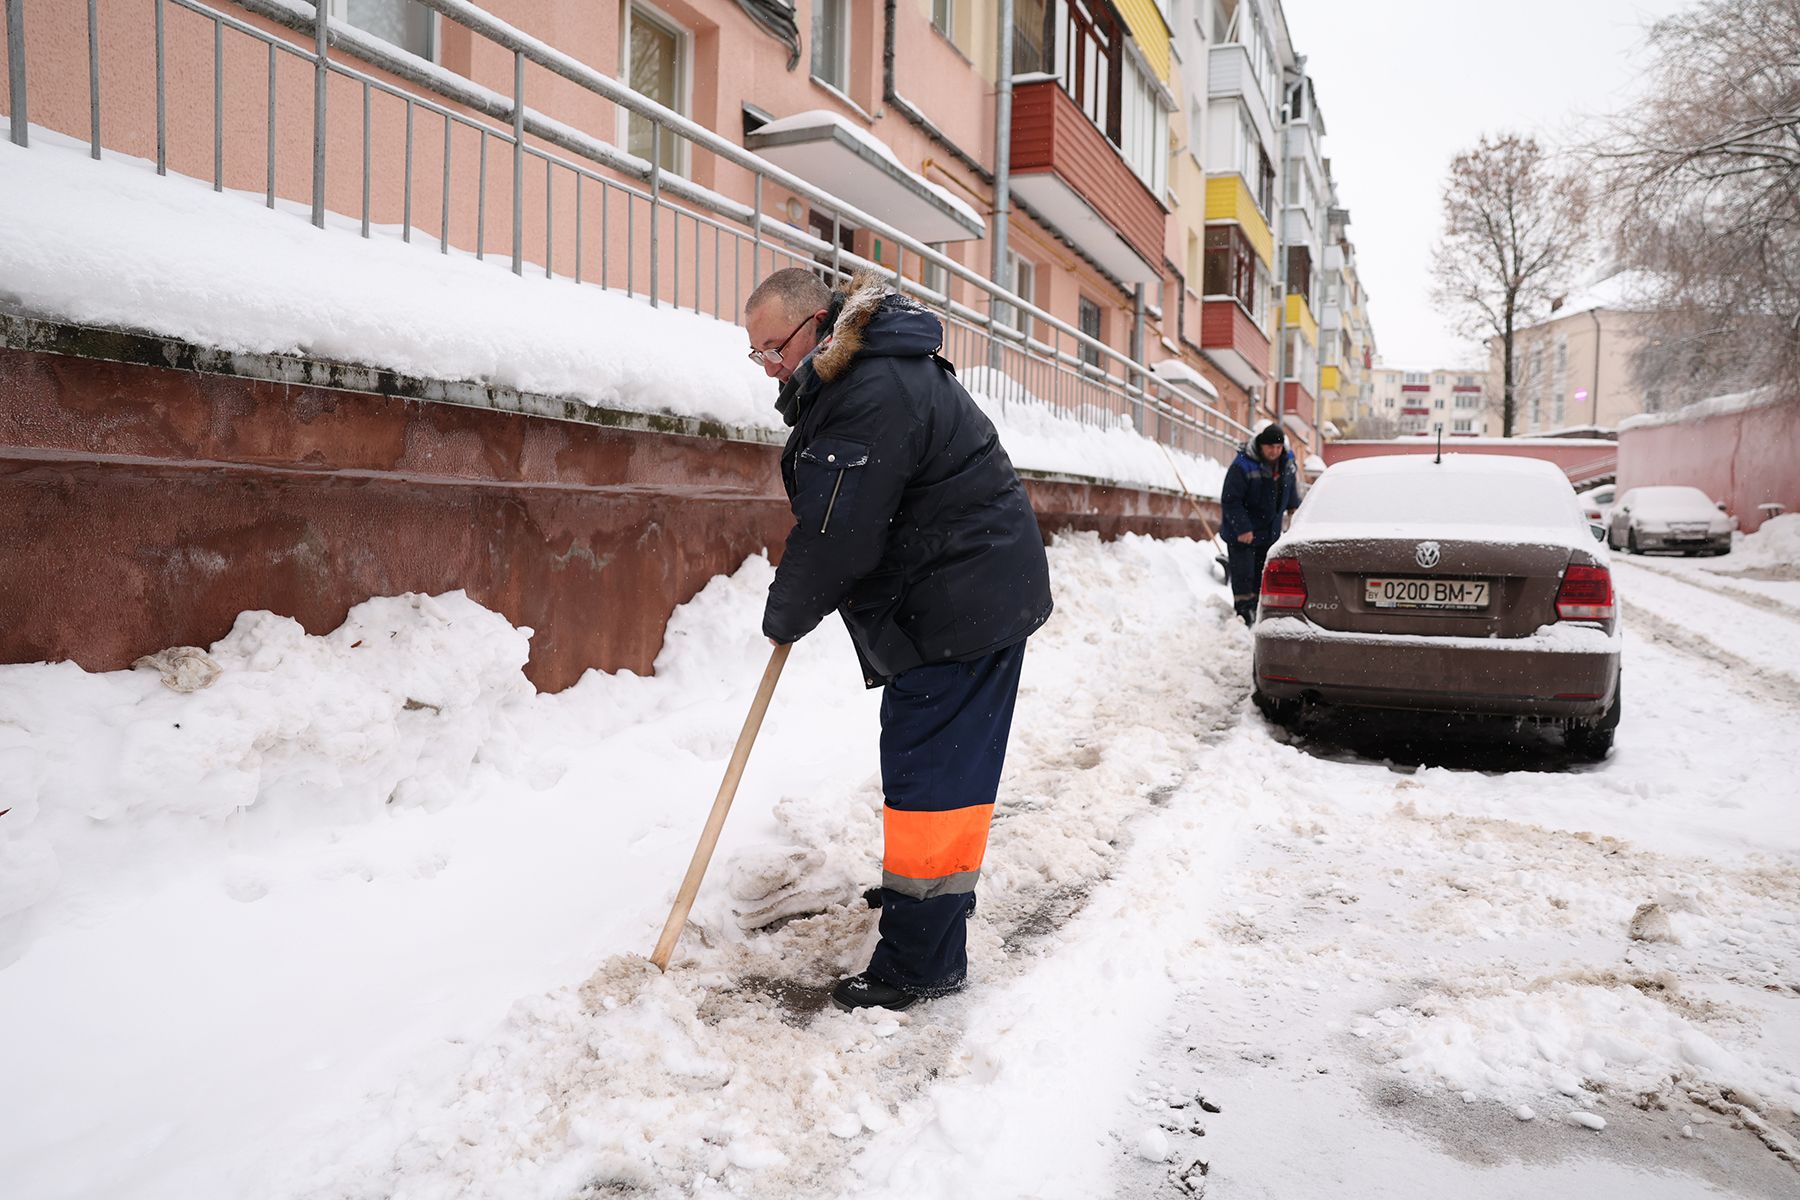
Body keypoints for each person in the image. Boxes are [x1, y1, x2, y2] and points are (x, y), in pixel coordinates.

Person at [745, 266, 1053, 1012]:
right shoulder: (867, 375)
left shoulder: (872, 391)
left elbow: (838, 532)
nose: (768, 366)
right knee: (933, 771)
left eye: (772, 347)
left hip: (962, 603)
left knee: (934, 783)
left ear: (818, 325)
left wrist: (787, 610)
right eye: (754, 353)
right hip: (959, 593)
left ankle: (922, 960)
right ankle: (927, 906)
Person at [1220, 423, 1301, 626]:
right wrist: (1243, 528)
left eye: (1278, 447)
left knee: (1262, 575)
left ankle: (1257, 612)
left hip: (1269, 531)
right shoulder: (1243, 465)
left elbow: (1290, 488)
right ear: (1261, 446)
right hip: (1243, 534)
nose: (1274, 452)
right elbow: (1231, 500)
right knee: (1243, 575)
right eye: (1270, 447)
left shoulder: (1287, 464)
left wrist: (1294, 508)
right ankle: (1243, 615)